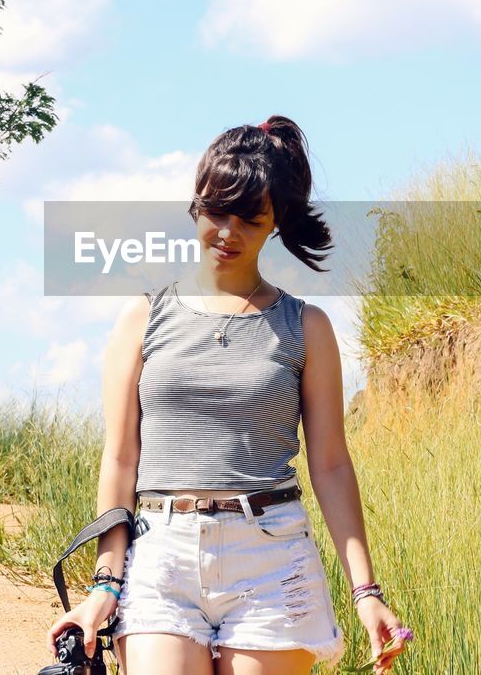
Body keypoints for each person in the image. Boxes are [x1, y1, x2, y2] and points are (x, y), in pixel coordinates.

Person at [46, 116, 409, 674]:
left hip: (271, 558)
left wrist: (366, 592)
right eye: (217, 212)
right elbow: (121, 461)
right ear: (196, 206)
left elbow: (331, 466)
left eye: (249, 219)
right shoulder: (143, 318)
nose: (228, 232)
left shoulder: (306, 326)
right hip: (160, 553)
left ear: (275, 223)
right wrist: (105, 586)